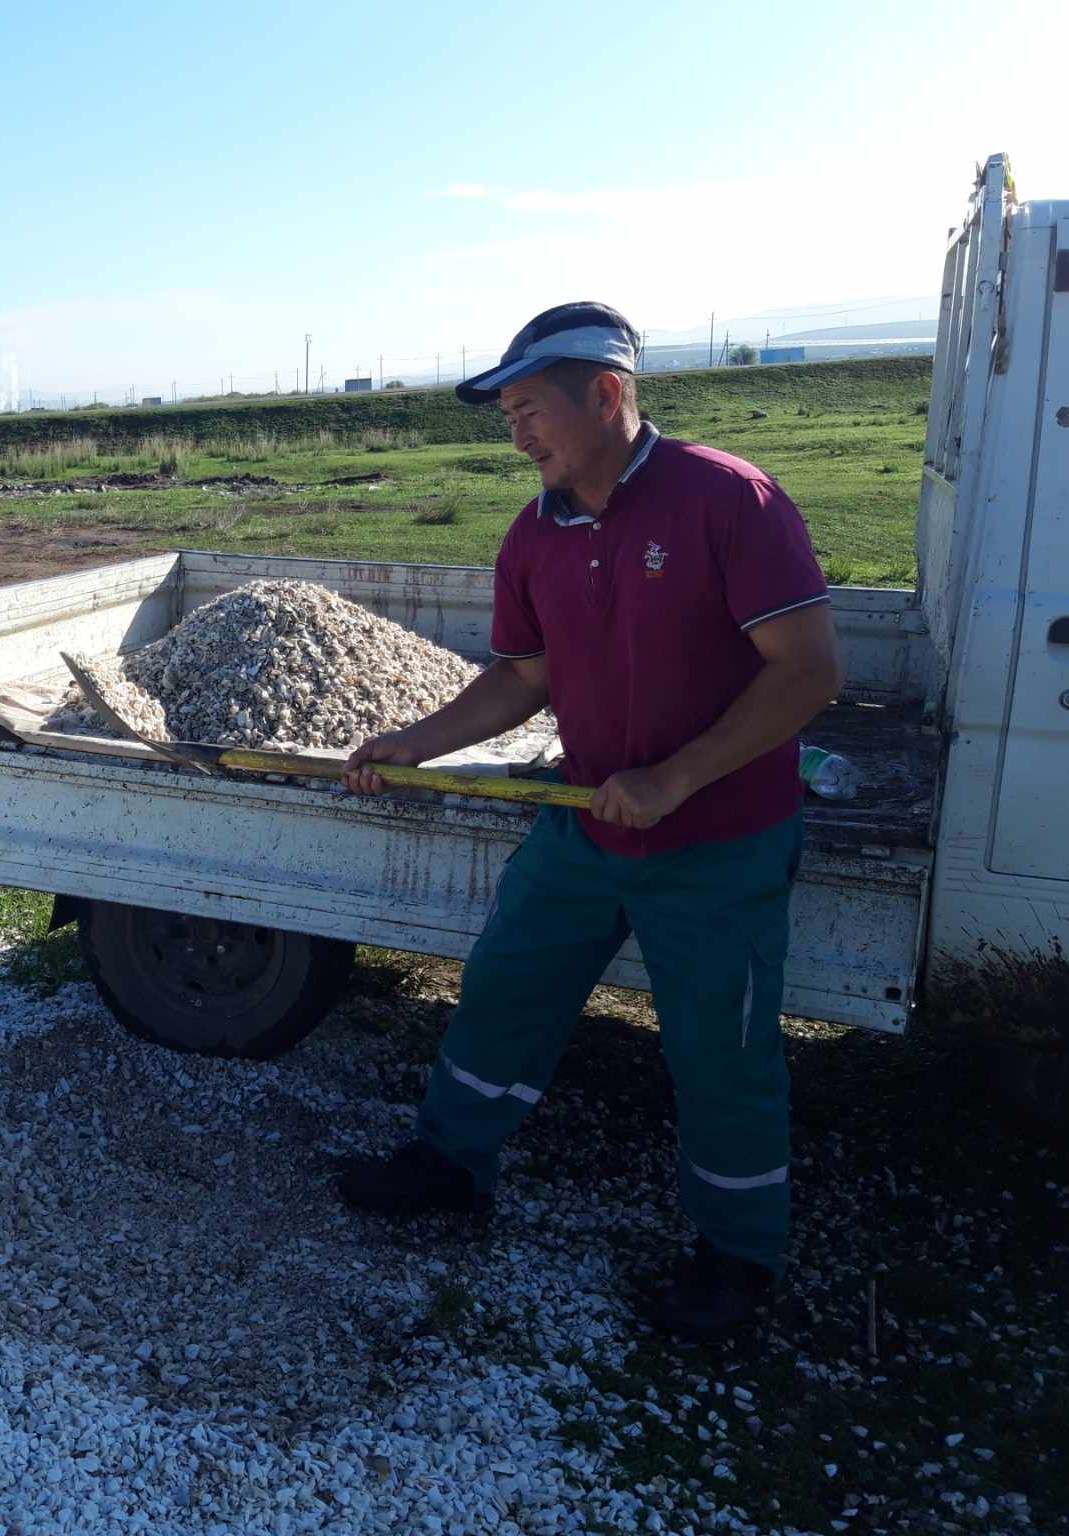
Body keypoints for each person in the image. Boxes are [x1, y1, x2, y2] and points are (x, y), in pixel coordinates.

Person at [335, 301, 843, 1340]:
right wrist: (415, 742)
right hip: (585, 819)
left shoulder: (726, 499)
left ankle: (736, 1257)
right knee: (502, 992)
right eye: (507, 416)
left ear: (606, 394)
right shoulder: (535, 533)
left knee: (721, 1053)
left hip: (717, 841)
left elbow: (807, 673)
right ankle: (449, 1165)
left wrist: (676, 778)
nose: (517, 434)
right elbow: (522, 676)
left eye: (530, 410)